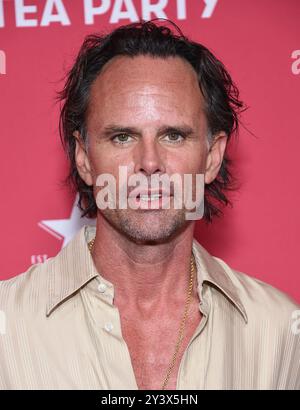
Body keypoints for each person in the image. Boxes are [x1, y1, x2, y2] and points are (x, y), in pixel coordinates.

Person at [0, 19, 299, 390]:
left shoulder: (281, 331)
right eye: (122, 136)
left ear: (211, 157)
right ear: (84, 158)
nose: (150, 162)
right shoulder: (6, 325)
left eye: (173, 135)